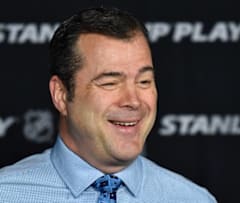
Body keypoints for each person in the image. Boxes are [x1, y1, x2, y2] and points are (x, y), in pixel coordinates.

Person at [0, 7, 217, 202]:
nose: (133, 101)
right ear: (61, 95)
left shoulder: (192, 199)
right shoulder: (7, 194)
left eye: (144, 82)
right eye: (110, 83)